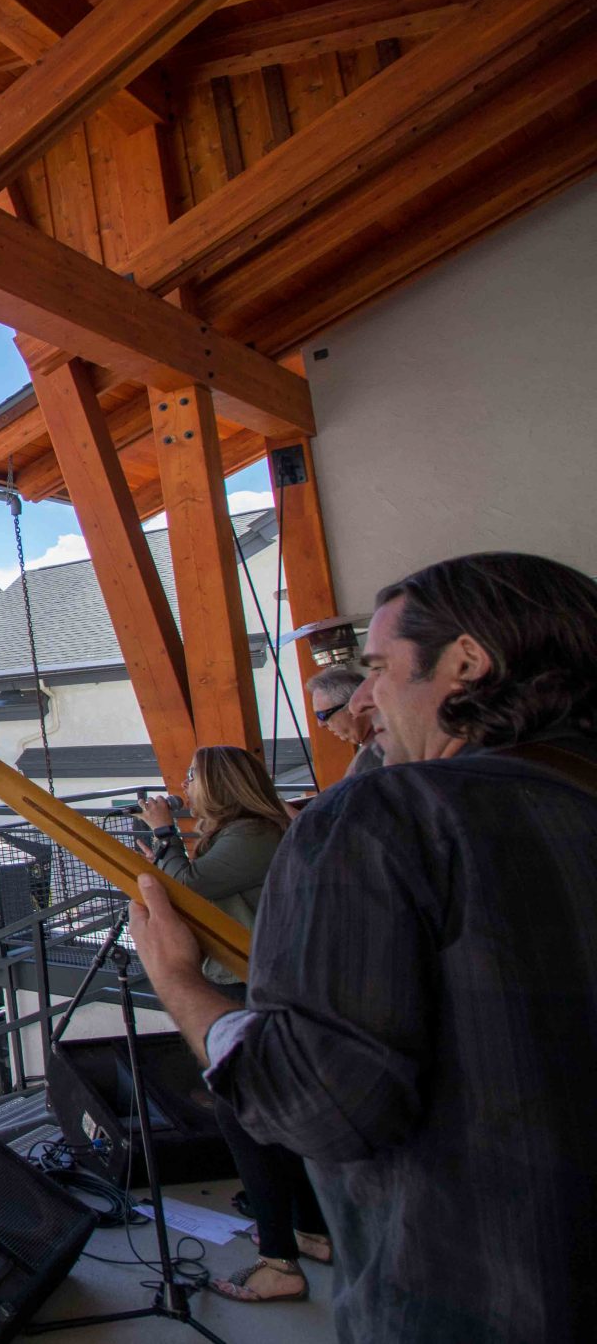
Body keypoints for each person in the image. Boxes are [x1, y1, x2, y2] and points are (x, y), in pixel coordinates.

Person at [130, 552, 597, 1343]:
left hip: (471, 1300)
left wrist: (182, 986)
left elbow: (320, 1104)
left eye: (378, 668)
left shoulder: (385, 816)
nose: (366, 700)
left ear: (466, 662)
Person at [144, 745, 327, 1302]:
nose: (184, 781)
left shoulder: (252, 835)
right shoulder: (242, 834)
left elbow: (185, 892)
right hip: (249, 983)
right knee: (265, 1121)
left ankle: (279, 1262)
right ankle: (310, 1231)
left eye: (193, 774)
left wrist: (163, 833)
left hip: (246, 988)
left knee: (246, 1125)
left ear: (220, 784)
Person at [307, 664, 385, 777]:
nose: (321, 724)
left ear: (353, 705)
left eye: (323, 715)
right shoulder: (380, 742)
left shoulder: (377, 754)